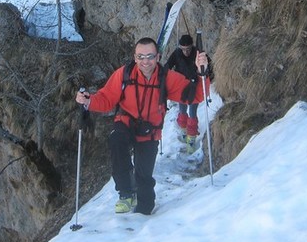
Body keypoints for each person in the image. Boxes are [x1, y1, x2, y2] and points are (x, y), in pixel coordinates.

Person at [75, 37, 208, 215]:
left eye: (150, 56)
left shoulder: (166, 78)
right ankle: (126, 193)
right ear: (135, 57)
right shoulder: (124, 74)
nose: (145, 61)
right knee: (116, 141)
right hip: (125, 123)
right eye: (141, 57)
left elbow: (195, 95)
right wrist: (88, 101)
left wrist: (202, 72)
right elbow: (106, 98)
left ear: (158, 57)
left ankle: (143, 210)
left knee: (144, 185)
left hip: (150, 131)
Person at [165, 34, 214, 152]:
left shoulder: (198, 54)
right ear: (180, 47)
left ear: (192, 46)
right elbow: (167, 66)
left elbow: (209, 66)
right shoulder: (177, 53)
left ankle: (191, 138)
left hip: (194, 87)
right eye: (183, 49)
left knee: (192, 113)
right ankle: (184, 132)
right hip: (181, 87)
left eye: (188, 49)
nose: (186, 52)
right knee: (182, 110)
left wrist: (207, 77)